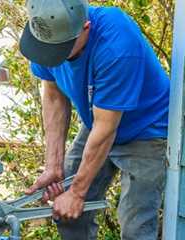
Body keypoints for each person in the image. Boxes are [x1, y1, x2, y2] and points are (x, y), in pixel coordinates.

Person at [19, 0, 169, 239]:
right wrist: (53, 165)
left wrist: (78, 193)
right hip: (97, 122)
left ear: (85, 27)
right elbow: (54, 96)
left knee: (135, 225)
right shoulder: (46, 34)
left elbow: (107, 128)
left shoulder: (118, 46)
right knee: (67, 216)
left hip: (147, 129)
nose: (52, 57)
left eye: (61, 50)